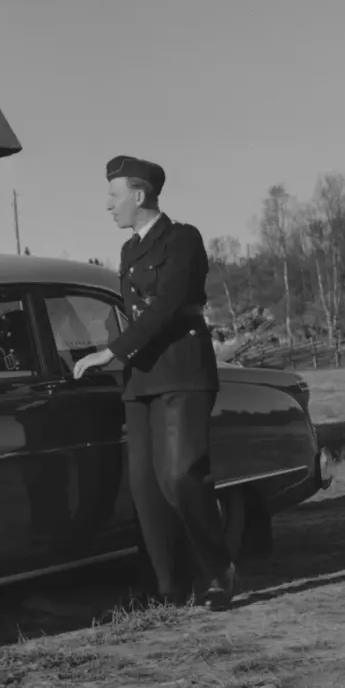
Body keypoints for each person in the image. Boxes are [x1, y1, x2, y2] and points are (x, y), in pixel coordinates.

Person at [72, 156, 236, 611]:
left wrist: (113, 350)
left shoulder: (182, 238)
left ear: (138, 196)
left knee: (181, 477)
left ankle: (219, 573)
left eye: (113, 195)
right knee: (145, 487)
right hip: (142, 377)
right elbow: (134, 313)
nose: (108, 205)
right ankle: (169, 587)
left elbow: (166, 305)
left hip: (183, 370)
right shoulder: (128, 251)